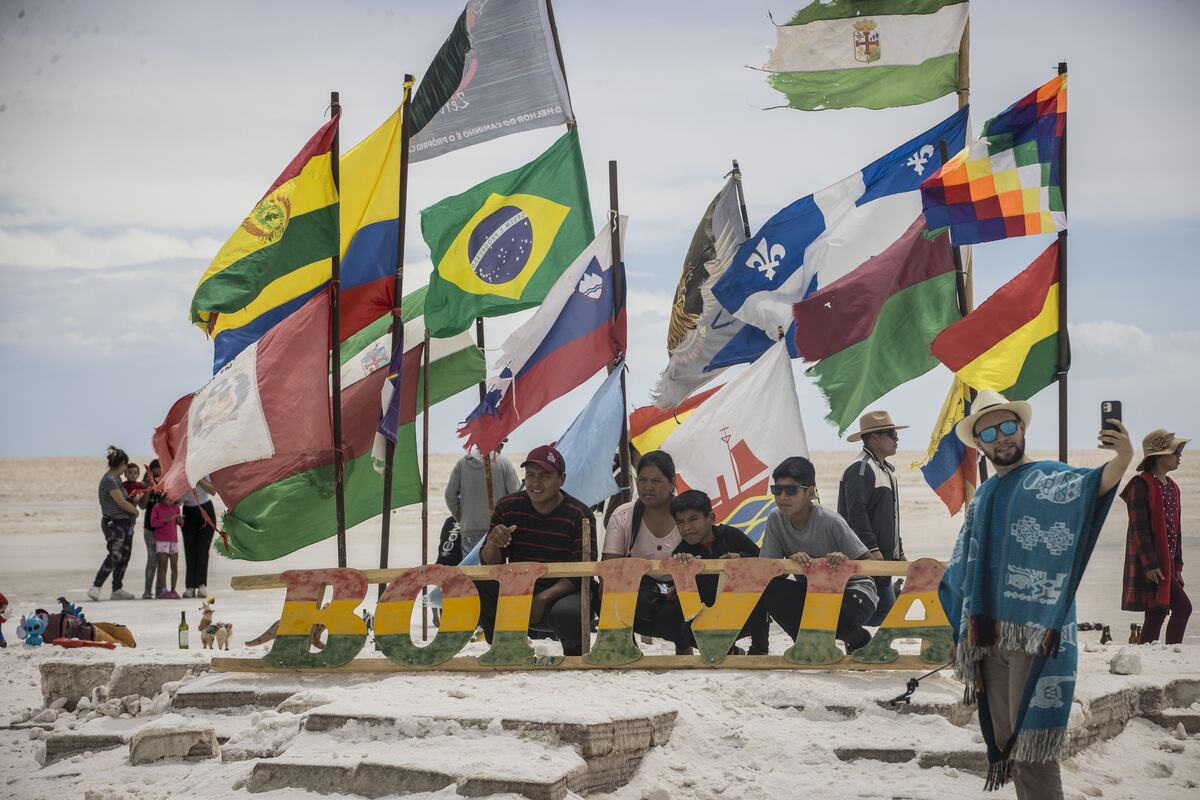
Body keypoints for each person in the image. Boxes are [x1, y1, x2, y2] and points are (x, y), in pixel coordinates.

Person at [938, 390, 1131, 798]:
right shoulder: (985, 496)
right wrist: (958, 634)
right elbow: (962, 565)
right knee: (1009, 741)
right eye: (989, 432)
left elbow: (1094, 484)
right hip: (988, 638)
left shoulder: (1050, 479)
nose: (1001, 437)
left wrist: (1123, 457)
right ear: (980, 444)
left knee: (1035, 746)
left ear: (1021, 428)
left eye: (1008, 426)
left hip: (1037, 636)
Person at [479, 444, 597, 657]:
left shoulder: (579, 515)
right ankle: (503, 646)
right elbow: (489, 566)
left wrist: (542, 598)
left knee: (568, 613)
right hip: (520, 586)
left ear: (561, 479)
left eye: (545, 475)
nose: (536, 482)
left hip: (563, 590)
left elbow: (583, 574)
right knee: (478, 584)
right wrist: (493, 543)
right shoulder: (508, 507)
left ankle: (574, 653)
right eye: (531, 475)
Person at [760, 456, 878, 653]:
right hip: (814, 594)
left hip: (853, 591)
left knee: (836, 621)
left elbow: (870, 565)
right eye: (776, 490)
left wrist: (845, 564)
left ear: (810, 492)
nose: (782, 497)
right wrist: (790, 564)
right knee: (770, 589)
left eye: (790, 490)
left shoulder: (830, 520)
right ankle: (808, 646)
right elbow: (767, 574)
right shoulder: (775, 519)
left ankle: (860, 640)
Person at [601, 451, 686, 653]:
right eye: (642, 480)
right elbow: (609, 570)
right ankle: (627, 647)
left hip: (680, 596)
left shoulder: (688, 515)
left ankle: (684, 647)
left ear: (672, 483)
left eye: (656, 481)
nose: (648, 487)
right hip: (637, 594)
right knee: (601, 593)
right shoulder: (623, 515)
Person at [670, 489, 770, 655]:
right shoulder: (681, 552)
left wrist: (741, 558)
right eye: (680, 522)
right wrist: (683, 568)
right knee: (687, 630)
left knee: (762, 599)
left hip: (743, 613)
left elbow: (762, 560)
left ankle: (759, 650)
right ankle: (730, 652)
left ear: (711, 518)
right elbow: (675, 589)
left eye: (693, 519)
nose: (687, 528)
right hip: (708, 617)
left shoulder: (730, 535)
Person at [1121, 428, 1191, 645]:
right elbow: (1139, 529)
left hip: (1167, 562)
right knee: (1182, 608)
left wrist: (1177, 566)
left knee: (1157, 611)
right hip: (1151, 562)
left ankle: (1147, 652)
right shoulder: (1140, 485)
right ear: (1159, 456)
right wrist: (1150, 564)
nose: (1180, 455)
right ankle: (1172, 650)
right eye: (1175, 451)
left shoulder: (1172, 487)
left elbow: (1176, 531)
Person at [838, 411, 907, 626]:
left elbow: (890, 519)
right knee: (878, 612)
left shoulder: (883, 469)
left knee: (878, 611)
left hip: (880, 557)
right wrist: (872, 549)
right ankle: (854, 646)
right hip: (866, 558)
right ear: (875, 437)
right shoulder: (861, 468)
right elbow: (855, 513)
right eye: (892, 434)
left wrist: (899, 551)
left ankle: (855, 646)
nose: (896, 439)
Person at [444, 442, 521, 557]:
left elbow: (450, 496)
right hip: (497, 531)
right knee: (492, 571)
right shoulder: (504, 463)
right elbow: (516, 497)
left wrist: (462, 518)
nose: (501, 448)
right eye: (502, 444)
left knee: (472, 572)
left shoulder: (462, 464)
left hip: (469, 530)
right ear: (497, 443)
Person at [88, 447, 141, 601]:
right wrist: (135, 511)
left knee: (125, 556)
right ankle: (96, 586)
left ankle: (117, 589)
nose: (126, 469)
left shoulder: (117, 479)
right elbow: (121, 502)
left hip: (125, 523)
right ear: (122, 464)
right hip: (114, 522)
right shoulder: (109, 480)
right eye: (126, 465)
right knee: (115, 554)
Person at [181, 477, 217, 599]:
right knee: (189, 549)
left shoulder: (203, 472)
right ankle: (190, 586)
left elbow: (213, 491)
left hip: (205, 509)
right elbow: (177, 498)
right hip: (188, 510)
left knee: (202, 549)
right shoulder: (181, 473)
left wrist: (199, 479)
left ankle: (201, 585)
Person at [150, 496, 184, 599]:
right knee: (163, 566)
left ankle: (173, 590)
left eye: (172, 497)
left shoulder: (176, 508)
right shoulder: (157, 507)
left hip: (173, 540)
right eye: (168, 497)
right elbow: (153, 523)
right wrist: (167, 520)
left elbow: (181, 523)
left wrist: (179, 520)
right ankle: (164, 590)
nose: (171, 500)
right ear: (163, 497)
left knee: (174, 565)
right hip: (162, 540)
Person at [140, 460, 163, 599]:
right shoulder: (147, 484)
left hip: (164, 529)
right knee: (152, 559)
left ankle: (160, 590)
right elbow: (142, 505)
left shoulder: (165, 484)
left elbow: (173, 502)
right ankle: (147, 591)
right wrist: (149, 487)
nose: (157, 473)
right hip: (149, 528)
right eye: (155, 470)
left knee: (162, 560)